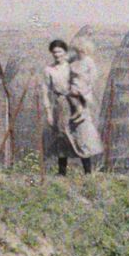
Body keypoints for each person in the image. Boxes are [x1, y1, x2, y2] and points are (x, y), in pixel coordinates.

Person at [44, 38, 103, 175]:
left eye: (60, 52)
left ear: (65, 52)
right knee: (62, 135)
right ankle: (62, 172)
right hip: (62, 104)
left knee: (82, 134)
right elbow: (45, 91)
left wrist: (82, 95)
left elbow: (88, 78)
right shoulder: (50, 69)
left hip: (77, 102)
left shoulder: (72, 64)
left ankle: (88, 172)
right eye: (54, 52)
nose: (57, 55)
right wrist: (48, 112)